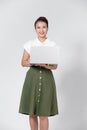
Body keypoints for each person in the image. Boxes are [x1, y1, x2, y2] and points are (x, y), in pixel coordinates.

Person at [19, 16, 59, 130]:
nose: (41, 30)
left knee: (44, 114)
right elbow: (23, 62)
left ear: (47, 28)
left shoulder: (52, 45)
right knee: (32, 114)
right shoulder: (30, 44)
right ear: (35, 29)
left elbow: (55, 66)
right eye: (38, 27)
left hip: (47, 79)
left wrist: (45, 65)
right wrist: (34, 63)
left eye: (44, 27)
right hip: (32, 79)